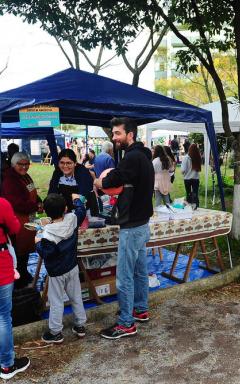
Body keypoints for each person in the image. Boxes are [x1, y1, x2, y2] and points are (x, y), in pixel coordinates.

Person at [94, 117, 154, 340]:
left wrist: (99, 182)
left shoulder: (132, 157)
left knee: (124, 276)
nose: (114, 138)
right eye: (113, 134)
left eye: (118, 133)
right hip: (142, 223)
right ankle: (140, 309)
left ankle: (126, 323)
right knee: (139, 271)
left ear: (130, 135)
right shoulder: (144, 156)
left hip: (132, 226)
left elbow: (112, 180)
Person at [35, 193, 87, 343]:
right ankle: (80, 325)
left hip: (56, 272)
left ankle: (55, 332)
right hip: (72, 266)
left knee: (56, 301)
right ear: (65, 208)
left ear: (46, 212)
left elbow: (46, 253)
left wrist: (37, 242)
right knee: (76, 296)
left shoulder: (47, 233)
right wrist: (76, 199)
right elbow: (81, 210)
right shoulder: (72, 219)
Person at [1, 152, 42, 288]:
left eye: (26, 164)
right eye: (21, 164)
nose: (24, 167)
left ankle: (23, 273)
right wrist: (36, 206)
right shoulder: (10, 180)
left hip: (28, 219)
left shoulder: (25, 176)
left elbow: (33, 192)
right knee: (19, 251)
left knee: (26, 250)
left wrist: (39, 201)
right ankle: (19, 279)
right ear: (14, 165)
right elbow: (17, 203)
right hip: (18, 219)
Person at [0, 197, 30, 380]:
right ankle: (7, 365)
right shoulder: (2, 204)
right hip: (1, 266)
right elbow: (15, 228)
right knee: (3, 316)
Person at [49, 149, 98, 216]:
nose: (65, 166)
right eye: (62, 163)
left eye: (69, 163)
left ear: (75, 163)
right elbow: (52, 192)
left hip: (85, 210)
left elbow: (84, 194)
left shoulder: (82, 172)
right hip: (65, 211)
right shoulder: (57, 172)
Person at [181, 143, 201, 209]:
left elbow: (183, 170)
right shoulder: (198, 157)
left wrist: (183, 173)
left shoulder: (186, 158)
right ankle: (196, 207)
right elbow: (198, 169)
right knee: (195, 194)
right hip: (196, 178)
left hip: (187, 179)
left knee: (189, 194)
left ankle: (189, 207)